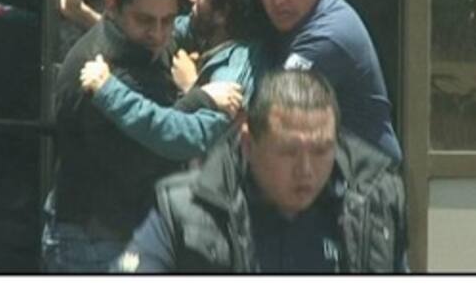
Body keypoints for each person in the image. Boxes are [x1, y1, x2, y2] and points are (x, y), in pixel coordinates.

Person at [41, 0, 240, 272]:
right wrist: (200, 98)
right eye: (145, 20)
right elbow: (152, 150)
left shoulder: (142, 43)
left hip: (125, 231)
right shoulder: (101, 73)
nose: (158, 34)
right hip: (93, 241)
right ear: (112, 6)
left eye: (168, 20)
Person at [112, 69, 407, 273]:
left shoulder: (375, 204)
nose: (306, 170)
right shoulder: (185, 209)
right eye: (288, 151)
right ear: (248, 144)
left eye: (321, 151)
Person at [77, 0, 268, 160]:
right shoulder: (207, 31)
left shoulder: (233, 73)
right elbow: (152, 30)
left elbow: (187, 137)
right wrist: (83, 13)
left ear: (221, 13)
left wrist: (108, 90)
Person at [252, 0, 402, 162]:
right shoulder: (300, 15)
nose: (277, 0)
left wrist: (198, 92)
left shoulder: (328, 37)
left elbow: (266, 124)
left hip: (365, 180)